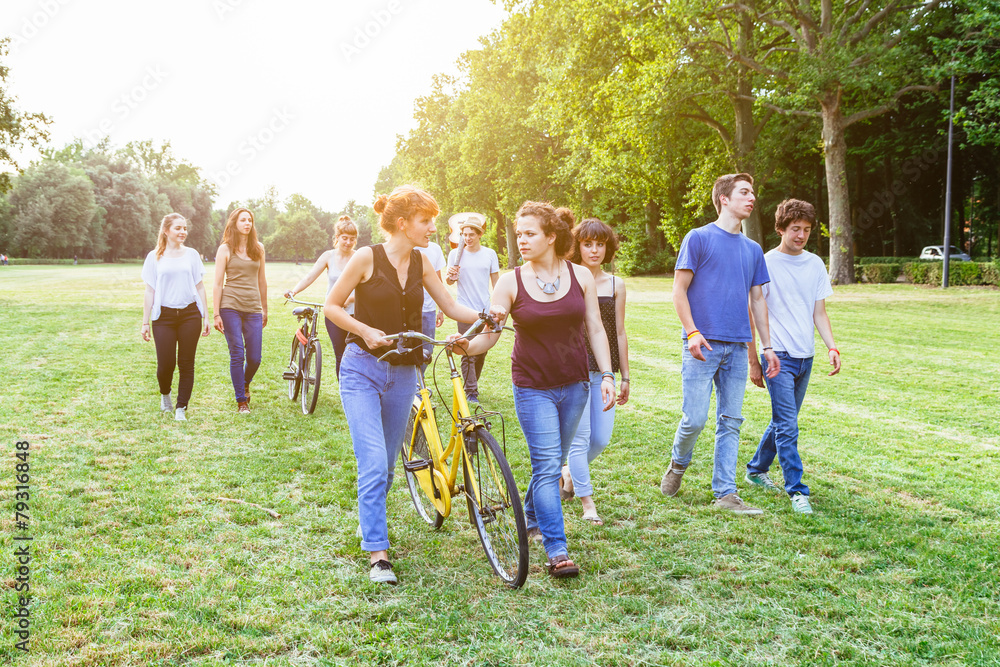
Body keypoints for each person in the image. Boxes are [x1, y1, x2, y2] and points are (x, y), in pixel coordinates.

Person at [324, 185, 483, 585]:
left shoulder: (423, 262)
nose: (433, 228)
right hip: (361, 368)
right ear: (402, 223)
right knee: (374, 461)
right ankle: (378, 555)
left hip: (404, 373)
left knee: (390, 464)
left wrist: (485, 313)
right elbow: (332, 306)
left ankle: (369, 515)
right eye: (426, 221)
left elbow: (450, 307)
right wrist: (364, 329)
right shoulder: (366, 257)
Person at [462, 201, 616, 579]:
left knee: (549, 463)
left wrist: (608, 375)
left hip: (577, 384)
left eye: (530, 234)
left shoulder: (581, 276)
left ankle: (530, 513)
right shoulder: (510, 281)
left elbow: (595, 328)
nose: (522, 241)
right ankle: (557, 550)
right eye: (519, 235)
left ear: (551, 237)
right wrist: (466, 346)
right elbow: (492, 332)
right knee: (547, 466)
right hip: (533, 387)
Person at [659, 172, 780, 514]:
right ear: (724, 199)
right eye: (744, 192)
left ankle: (726, 493)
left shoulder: (754, 250)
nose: (752, 197)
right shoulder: (698, 238)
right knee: (694, 419)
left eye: (753, 192)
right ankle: (678, 465)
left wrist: (766, 347)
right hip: (701, 346)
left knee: (731, 420)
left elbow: (757, 301)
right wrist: (692, 331)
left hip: (738, 348)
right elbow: (678, 291)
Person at [744, 199, 840, 514]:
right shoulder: (766, 263)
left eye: (807, 230)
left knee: (785, 421)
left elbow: (819, 312)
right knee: (788, 425)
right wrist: (753, 360)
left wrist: (831, 346)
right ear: (781, 228)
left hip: (805, 356)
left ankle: (756, 469)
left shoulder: (814, 264)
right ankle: (797, 491)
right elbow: (752, 314)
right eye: (795, 229)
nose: (801, 235)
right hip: (777, 356)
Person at [560, 218, 630, 526]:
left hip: (604, 371)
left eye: (600, 244)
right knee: (580, 439)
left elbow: (620, 332)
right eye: (587, 244)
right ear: (577, 246)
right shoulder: (568, 279)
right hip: (574, 368)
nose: (594, 250)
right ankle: (588, 503)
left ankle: (565, 473)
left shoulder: (616, 284)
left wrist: (623, 375)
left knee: (600, 439)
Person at [140, 213, 211, 421]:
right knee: (165, 364)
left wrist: (206, 316)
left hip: (190, 314)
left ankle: (181, 407)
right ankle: (165, 395)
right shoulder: (154, 257)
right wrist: (145, 322)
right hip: (164, 317)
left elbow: (200, 286)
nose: (183, 232)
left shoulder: (192, 255)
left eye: (185, 228)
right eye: (178, 228)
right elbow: (149, 291)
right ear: (166, 230)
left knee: (187, 363)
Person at [284, 216, 359, 376]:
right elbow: (310, 276)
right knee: (341, 354)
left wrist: (350, 299)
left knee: (356, 356)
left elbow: (366, 287)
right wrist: (294, 291)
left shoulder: (359, 257)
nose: (348, 242)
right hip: (334, 314)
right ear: (337, 237)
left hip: (356, 313)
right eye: (344, 238)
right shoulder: (328, 256)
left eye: (352, 239)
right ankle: (344, 393)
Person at [213, 208, 267, 414]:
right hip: (230, 306)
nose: (247, 223)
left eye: (250, 220)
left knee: (255, 358)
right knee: (237, 354)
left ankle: (245, 383)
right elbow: (217, 284)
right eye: (243, 220)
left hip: (253, 307)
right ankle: (241, 400)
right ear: (235, 223)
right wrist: (216, 313)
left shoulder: (258, 249)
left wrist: (265, 309)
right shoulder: (225, 249)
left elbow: (262, 281)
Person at [445, 214, 499, 404]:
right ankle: (471, 391)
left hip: (484, 310)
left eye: (471, 234)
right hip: (464, 310)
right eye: (464, 234)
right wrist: (451, 276)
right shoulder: (455, 254)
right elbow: (449, 280)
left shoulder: (489, 254)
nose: (467, 238)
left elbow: (496, 283)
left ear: (480, 234)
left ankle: (471, 384)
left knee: (481, 351)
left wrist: (497, 305)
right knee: (467, 352)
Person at [415, 238, 446, 371]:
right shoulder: (406, 249)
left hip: (429, 310)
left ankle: (419, 382)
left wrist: (441, 310)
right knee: (409, 349)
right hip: (410, 311)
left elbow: (439, 282)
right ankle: (414, 385)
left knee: (427, 350)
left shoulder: (435, 249)